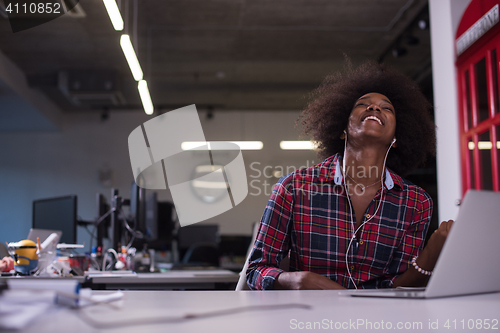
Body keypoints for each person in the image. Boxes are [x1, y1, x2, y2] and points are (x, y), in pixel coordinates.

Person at [246, 61, 453, 290]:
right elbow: (256, 270)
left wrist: (431, 256)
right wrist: (296, 280)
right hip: (307, 319)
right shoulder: (293, 186)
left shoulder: (416, 202)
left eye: (387, 108)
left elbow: (396, 288)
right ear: (342, 129)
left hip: (375, 322)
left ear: (396, 137)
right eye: (363, 104)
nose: (374, 108)